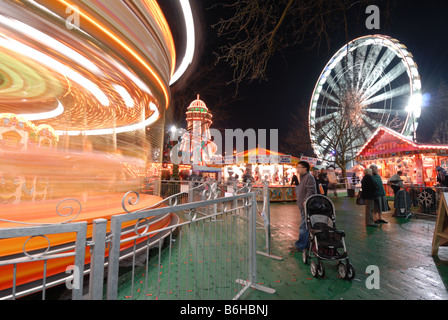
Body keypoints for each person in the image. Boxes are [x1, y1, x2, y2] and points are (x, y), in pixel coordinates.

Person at [289, 161, 317, 252]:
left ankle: (300, 245)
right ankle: (306, 244)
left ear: (305, 168)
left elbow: (311, 190)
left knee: (304, 226)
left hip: (307, 207)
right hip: (303, 207)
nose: (297, 169)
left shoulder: (309, 177)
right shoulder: (302, 177)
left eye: (299, 167)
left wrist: (306, 200)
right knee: (305, 226)